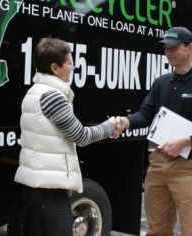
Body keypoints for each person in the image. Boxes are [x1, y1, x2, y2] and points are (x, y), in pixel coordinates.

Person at [117, 26, 192, 235]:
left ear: (191, 48)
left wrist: (186, 141)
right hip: (158, 163)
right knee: (157, 228)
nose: (168, 53)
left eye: (174, 48)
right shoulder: (161, 83)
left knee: (191, 230)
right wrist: (126, 122)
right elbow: (145, 115)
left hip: (188, 166)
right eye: (166, 48)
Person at [14, 37, 121, 235]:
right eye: (70, 63)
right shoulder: (53, 96)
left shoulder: (35, 91)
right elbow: (80, 136)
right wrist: (109, 126)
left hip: (37, 184)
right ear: (55, 68)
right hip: (49, 188)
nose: (73, 67)